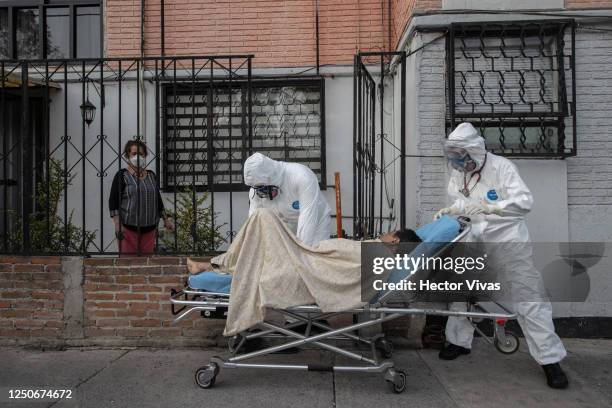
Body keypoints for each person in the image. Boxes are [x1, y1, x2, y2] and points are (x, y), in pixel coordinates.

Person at [434, 122, 569, 389]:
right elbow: (462, 204)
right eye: (454, 157)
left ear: (475, 151)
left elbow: (524, 202)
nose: (458, 163)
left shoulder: (502, 167)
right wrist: (451, 213)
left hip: (507, 241)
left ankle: (550, 361)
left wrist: (490, 207)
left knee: (529, 297)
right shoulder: (459, 173)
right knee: (461, 291)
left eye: (462, 157)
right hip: (474, 239)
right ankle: (458, 342)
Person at [186, 228, 422, 274]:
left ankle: (209, 265)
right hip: (309, 258)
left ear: (395, 240)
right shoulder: (377, 254)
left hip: (307, 264)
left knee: (262, 221)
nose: (385, 233)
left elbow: (339, 261)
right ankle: (212, 265)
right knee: (260, 246)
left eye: (391, 232)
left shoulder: (377, 254)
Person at [243, 152, 332, 247]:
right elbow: (254, 222)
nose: (263, 194)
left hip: (315, 224)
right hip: (284, 224)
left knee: (313, 255)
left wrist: (302, 250)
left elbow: (308, 216)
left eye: (265, 189)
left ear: (272, 177)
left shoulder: (301, 177)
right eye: (260, 190)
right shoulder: (255, 190)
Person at [109, 139, 174, 255]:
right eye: (134, 154)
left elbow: (157, 200)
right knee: (128, 263)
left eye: (141, 154)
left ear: (145, 155)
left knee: (146, 263)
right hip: (128, 229)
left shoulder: (151, 175)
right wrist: (118, 225)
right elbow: (113, 201)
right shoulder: (122, 176)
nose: (138, 157)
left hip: (150, 228)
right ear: (128, 156)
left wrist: (165, 219)